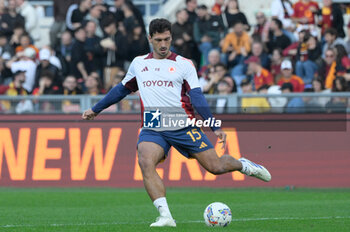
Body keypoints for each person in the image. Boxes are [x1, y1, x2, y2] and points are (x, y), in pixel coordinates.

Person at [82, 18, 271, 227]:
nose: (163, 45)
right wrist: (95, 109)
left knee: (215, 167)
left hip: (182, 123)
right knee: (145, 161)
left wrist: (214, 125)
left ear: (171, 38)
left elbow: (197, 97)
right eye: (159, 40)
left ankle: (244, 165)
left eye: (167, 39)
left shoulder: (184, 64)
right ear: (150, 39)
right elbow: (121, 90)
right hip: (153, 124)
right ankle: (166, 216)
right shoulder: (139, 64)